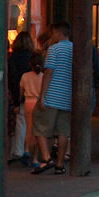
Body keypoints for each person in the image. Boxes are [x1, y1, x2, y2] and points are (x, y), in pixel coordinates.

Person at [31, 21, 73, 175]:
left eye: (53, 33)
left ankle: (47, 158)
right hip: (67, 97)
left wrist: (42, 95)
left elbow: (48, 72)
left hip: (52, 95)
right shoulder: (75, 49)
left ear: (58, 32)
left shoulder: (54, 50)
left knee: (39, 124)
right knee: (63, 132)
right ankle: (60, 165)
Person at [7, 32, 34, 163]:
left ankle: (18, 150)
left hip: (19, 93)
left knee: (20, 123)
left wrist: (16, 99)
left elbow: (12, 79)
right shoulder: (32, 58)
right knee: (32, 125)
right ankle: (28, 150)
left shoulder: (13, 58)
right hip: (33, 95)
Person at [20, 53, 44, 165]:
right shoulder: (43, 77)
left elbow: (21, 91)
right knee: (38, 130)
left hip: (28, 102)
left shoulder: (25, 76)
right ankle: (35, 158)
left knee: (28, 128)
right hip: (39, 102)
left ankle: (26, 150)